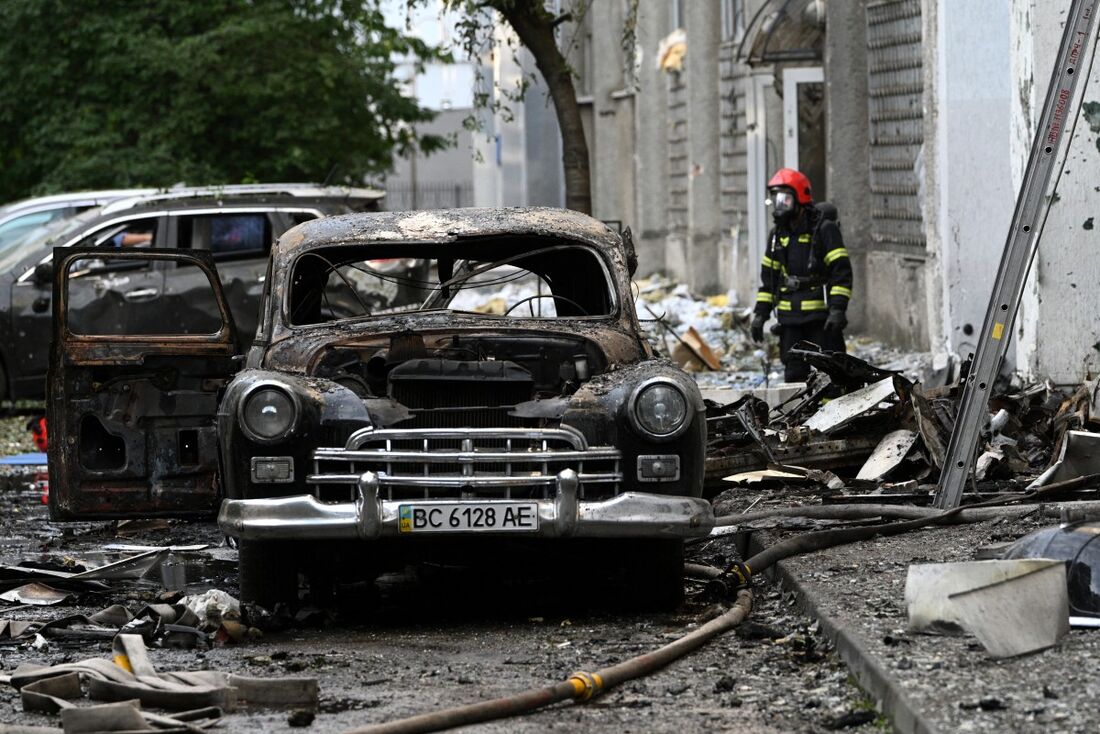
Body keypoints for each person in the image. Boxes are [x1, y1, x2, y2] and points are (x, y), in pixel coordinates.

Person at [750, 168, 852, 382]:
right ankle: (801, 415)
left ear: (799, 198)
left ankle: (831, 414)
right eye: (775, 199)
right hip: (790, 321)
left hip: (820, 320)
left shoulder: (824, 230)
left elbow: (841, 273)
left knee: (830, 373)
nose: (779, 205)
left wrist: (837, 310)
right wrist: (760, 315)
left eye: (784, 199)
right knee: (795, 375)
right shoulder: (777, 236)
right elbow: (769, 280)